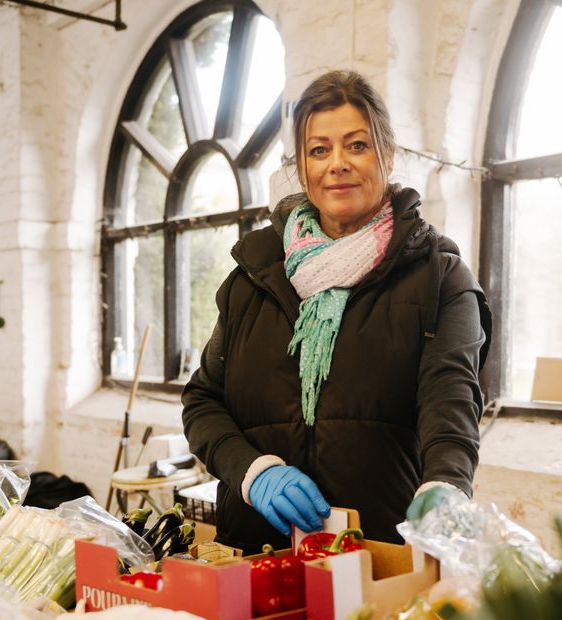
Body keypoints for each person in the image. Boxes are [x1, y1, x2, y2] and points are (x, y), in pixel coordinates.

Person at [182, 70, 490, 554]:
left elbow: (450, 400)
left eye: (357, 145)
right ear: (302, 168)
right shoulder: (253, 276)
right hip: (253, 553)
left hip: (375, 552)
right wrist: (252, 471)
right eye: (319, 150)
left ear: (386, 155)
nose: (337, 164)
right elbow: (203, 401)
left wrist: (445, 487)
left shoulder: (439, 277)